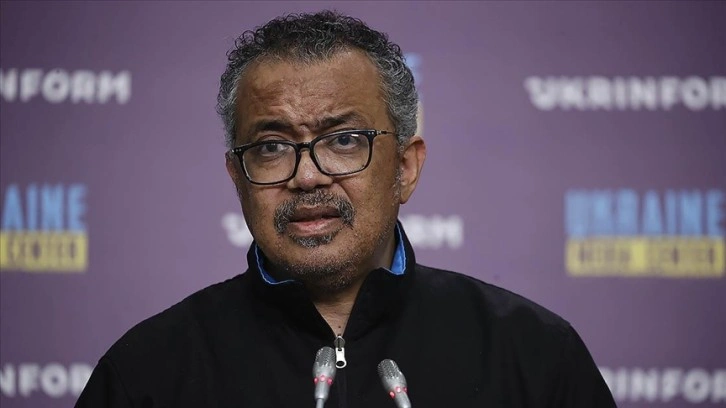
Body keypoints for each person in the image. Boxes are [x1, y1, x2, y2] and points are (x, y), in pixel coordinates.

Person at [76, 10, 616, 407]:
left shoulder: (533, 356)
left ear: (405, 168)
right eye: (272, 146)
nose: (307, 176)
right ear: (237, 177)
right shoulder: (148, 374)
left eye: (343, 140)